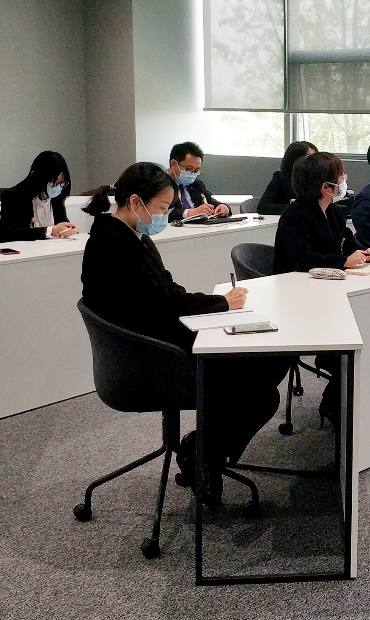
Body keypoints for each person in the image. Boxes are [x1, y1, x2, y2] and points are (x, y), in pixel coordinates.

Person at [80, 162, 287, 503]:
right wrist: (220, 305)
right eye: (162, 208)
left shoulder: (129, 236)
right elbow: (160, 306)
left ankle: (204, 450)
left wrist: (216, 306)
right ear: (135, 202)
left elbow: (166, 291)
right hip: (150, 360)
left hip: (159, 344)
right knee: (261, 391)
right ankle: (203, 452)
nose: (165, 215)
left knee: (270, 363)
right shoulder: (111, 245)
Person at [273, 152, 370, 424]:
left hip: (327, 294)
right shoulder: (294, 216)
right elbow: (302, 259)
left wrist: (364, 252)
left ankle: (339, 398)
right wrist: (343, 262)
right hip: (299, 302)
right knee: (353, 349)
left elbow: (347, 242)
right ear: (325, 186)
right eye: (340, 178)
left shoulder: (333, 211)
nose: (344, 182)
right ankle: (333, 401)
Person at [0, 151, 78, 242]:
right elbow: (9, 234)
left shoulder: (57, 198)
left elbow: (62, 223)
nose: (58, 187)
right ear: (38, 177)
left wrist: (68, 230)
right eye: (53, 182)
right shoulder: (13, 196)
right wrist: (49, 231)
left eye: (62, 182)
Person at [166, 141, 229, 221]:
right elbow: (157, 213)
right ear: (173, 164)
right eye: (189, 169)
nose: (192, 174)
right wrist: (189, 213)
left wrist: (223, 207)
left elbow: (212, 202)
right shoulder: (158, 184)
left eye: (196, 171)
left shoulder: (197, 185)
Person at [257, 140, 317, 214]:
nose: (314, 161)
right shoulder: (280, 178)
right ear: (295, 159)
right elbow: (263, 206)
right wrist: (291, 207)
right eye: (309, 157)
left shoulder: (318, 179)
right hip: (287, 218)